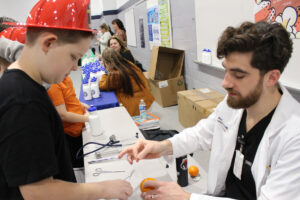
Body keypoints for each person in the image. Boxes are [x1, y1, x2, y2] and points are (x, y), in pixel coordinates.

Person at [119, 21, 300, 199]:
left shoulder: (294, 136)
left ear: (271, 77)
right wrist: (162, 147)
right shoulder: (236, 102)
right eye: (226, 70)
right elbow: (202, 133)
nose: (225, 83)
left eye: (238, 75)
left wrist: (187, 198)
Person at [0, 0, 132, 199]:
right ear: (48, 43)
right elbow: (38, 192)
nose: (75, 68)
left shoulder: (27, 87)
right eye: (73, 57)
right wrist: (103, 188)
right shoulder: (22, 100)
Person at [47, 76, 90, 168]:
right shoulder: (54, 85)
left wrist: (80, 105)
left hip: (78, 128)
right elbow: (63, 115)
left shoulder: (65, 77)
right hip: (70, 134)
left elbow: (68, 99)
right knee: (79, 164)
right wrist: (86, 118)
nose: (75, 68)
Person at [99, 48, 154, 116]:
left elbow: (101, 86)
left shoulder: (115, 74)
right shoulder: (129, 64)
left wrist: (105, 73)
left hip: (138, 108)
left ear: (108, 63)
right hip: (147, 101)